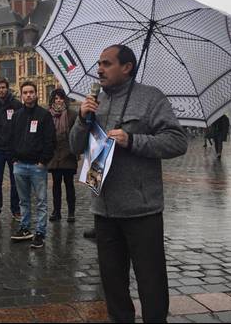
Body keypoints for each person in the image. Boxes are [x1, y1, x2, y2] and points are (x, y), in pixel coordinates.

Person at [69, 45, 187, 323]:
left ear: (127, 67)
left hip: (141, 210)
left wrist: (133, 140)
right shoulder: (95, 102)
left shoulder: (150, 98)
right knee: (112, 284)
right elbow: (75, 146)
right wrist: (82, 118)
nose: (99, 69)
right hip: (104, 209)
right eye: (98, 63)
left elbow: (177, 141)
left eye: (107, 64)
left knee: (151, 282)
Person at [10, 81, 56, 248]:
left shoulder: (44, 115)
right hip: (20, 164)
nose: (28, 95)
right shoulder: (17, 115)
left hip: (37, 166)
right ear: (21, 95)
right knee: (23, 201)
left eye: (31, 92)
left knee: (41, 201)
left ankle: (40, 233)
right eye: (25, 92)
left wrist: (43, 161)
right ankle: (24, 227)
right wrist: (14, 157)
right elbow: (12, 138)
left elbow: (50, 140)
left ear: (36, 94)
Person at [0, 77, 23, 223]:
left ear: (7, 88)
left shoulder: (16, 104)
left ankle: (16, 210)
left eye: (3, 87)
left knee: (15, 181)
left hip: (13, 149)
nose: (1, 90)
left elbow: (20, 124)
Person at [46, 88, 78, 223]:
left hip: (68, 153)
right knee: (56, 185)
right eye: (56, 98)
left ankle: (71, 212)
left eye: (61, 98)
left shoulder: (72, 114)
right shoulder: (48, 115)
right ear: (52, 100)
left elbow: (77, 134)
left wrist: (76, 151)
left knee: (69, 184)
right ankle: (56, 211)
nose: (58, 101)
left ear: (65, 100)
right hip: (54, 155)